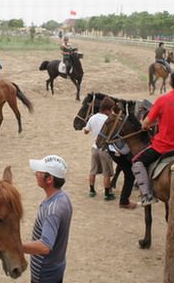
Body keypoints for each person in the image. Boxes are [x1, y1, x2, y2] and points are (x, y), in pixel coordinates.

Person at [132, 72, 174, 206]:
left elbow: (145, 124)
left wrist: (146, 125)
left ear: (170, 84)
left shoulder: (162, 100)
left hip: (162, 148)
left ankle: (146, 195)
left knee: (137, 161)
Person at [23, 155, 73, 283]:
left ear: (50, 179)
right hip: (55, 267)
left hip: (45, 273)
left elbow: (45, 246)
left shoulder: (52, 210)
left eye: (40, 172)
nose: (36, 174)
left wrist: (15, 246)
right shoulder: (64, 197)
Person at [83, 97, 116, 202]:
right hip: (105, 149)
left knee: (93, 170)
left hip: (95, 147)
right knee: (107, 173)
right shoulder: (108, 119)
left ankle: (92, 190)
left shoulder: (93, 118)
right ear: (108, 109)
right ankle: (107, 193)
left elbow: (86, 131)